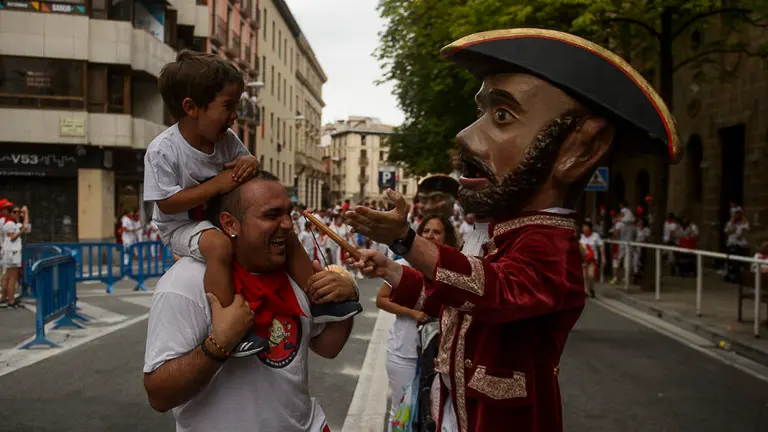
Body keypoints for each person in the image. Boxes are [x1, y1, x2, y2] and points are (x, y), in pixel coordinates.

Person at [344, 28, 681, 432]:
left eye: (502, 115)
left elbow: (494, 291)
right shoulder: (497, 235)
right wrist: (388, 267)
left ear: (581, 150)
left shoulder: (548, 242)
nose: (466, 136)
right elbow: (447, 299)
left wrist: (407, 241)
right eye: (482, 113)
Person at [144, 51, 358, 357]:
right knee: (219, 247)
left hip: (219, 217)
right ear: (191, 107)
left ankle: (320, 299)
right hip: (182, 225)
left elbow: (247, 165)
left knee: (286, 233)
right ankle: (228, 324)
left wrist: (250, 161)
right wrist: (216, 185)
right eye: (228, 106)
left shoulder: (226, 139)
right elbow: (166, 203)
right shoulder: (163, 150)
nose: (235, 116)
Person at [143, 172, 358, 431]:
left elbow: (327, 346)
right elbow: (159, 395)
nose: (288, 225)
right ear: (230, 224)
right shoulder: (184, 283)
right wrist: (219, 344)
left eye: (288, 213)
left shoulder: (293, 273)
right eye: (271, 215)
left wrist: (347, 297)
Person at [376, 215, 458, 431]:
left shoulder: (454, 270)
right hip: (404, 353)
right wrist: (412, 313)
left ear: (447, 237)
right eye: (426, 231)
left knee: (434, 413)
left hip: (440, 358)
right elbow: (381, 299)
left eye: (437, 231)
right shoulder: (401, 264)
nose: (430, 235)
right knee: (402, 412)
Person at [2, 203, 27, 308]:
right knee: (12, 277)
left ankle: (6, 297)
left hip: (12, 252)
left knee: (8, 276)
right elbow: (12, 237)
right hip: (11, 252)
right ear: (10, 213)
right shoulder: (9, 224)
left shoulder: (14, 223)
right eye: (15, 212)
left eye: (19, 212)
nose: (17, 214)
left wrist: (25, 214)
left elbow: (25, 225)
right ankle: (11, 300)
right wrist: (21, 231)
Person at [580, 221, 605, 298]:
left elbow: (601, 246)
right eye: (583, 227)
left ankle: (591, 289)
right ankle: (586, 290)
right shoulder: (581, 236)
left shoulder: (595, 236)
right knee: (584, 276)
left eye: (586, 226)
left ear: (590, 227)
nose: (585, 228)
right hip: (583, 259)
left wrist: (603, 257)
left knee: (591, 275)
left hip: (592, 259)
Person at [724, 206, 750, 282]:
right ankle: (730, 274)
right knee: (731, 259)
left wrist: (744, 232)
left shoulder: (745, 222)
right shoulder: (730, 223)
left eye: (739, 214)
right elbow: (726, 231)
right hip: (732, 244)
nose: (737, 215)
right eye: (736, 214)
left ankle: (741, 275)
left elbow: (748, 232)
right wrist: (732, 223)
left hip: (742, 245)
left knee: (742, 259)